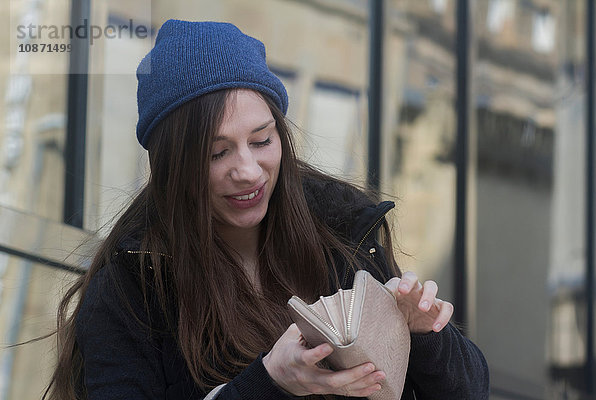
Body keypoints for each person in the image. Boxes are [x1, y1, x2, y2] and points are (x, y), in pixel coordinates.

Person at [44, 20, 489, 400]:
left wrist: (424, 333)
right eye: (217, 153)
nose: (248, 171)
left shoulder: (340, 231)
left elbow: (471, 389)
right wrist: (269, 382)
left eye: (261, 141)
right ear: (172, 166)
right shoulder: (129, 291)